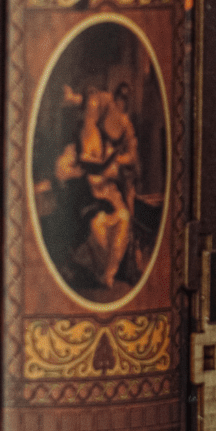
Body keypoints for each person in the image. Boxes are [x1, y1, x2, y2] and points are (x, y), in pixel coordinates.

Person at [55, 80, 139, 289]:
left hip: (107, 195)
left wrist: (110, 167)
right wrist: (78, 172)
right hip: (85, 199)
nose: (92, 116)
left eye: (95, 112)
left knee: (123, 218)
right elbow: (61, 171)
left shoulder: (104, 138)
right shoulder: (75, 139)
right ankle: (97, 269)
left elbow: (114, 165)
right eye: (89, 112)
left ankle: (108, 274)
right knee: (98, 225)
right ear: (83, 113)